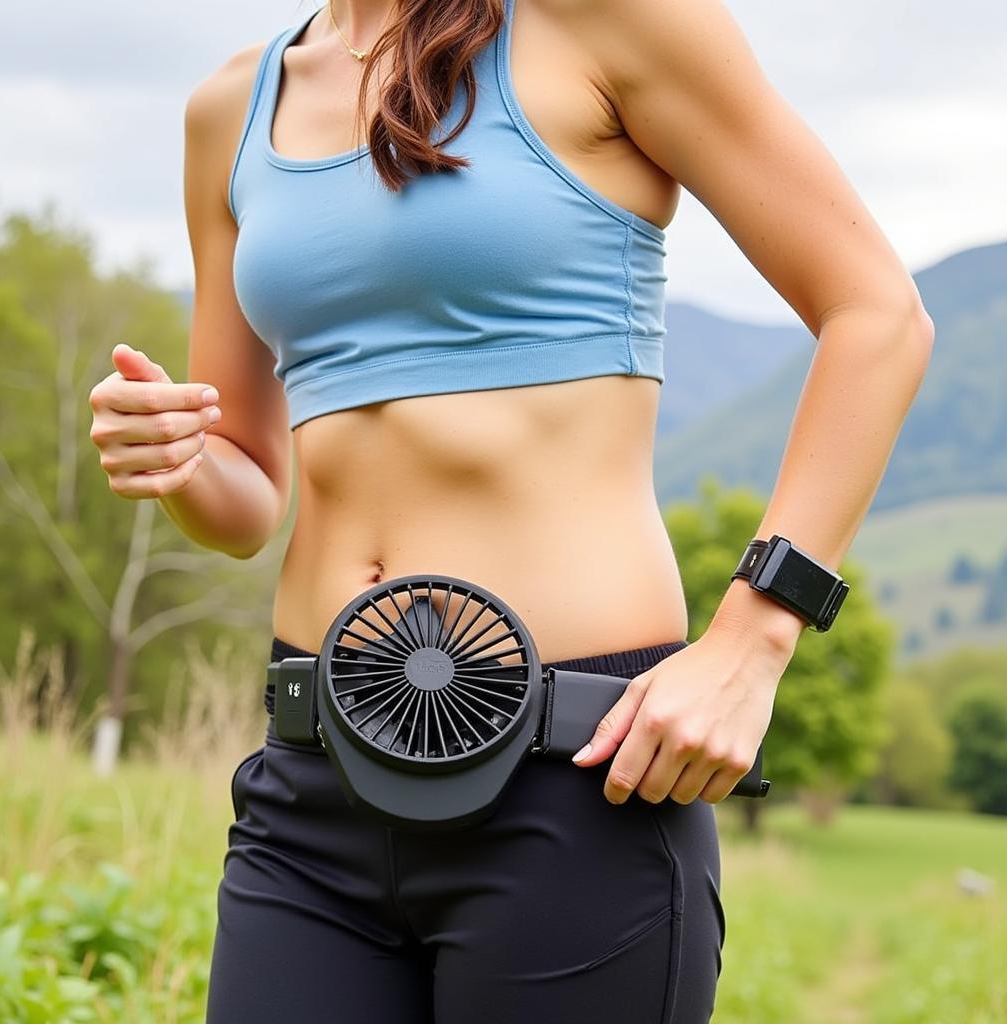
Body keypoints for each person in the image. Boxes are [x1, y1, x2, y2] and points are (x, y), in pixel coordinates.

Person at [87, 0, 934, 1019]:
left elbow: (876, 314)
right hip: (312, 783)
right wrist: (180, 459)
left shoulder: (604, 21)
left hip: (579, 779)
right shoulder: (231, 106)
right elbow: (247, 490)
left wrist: (752, 641)